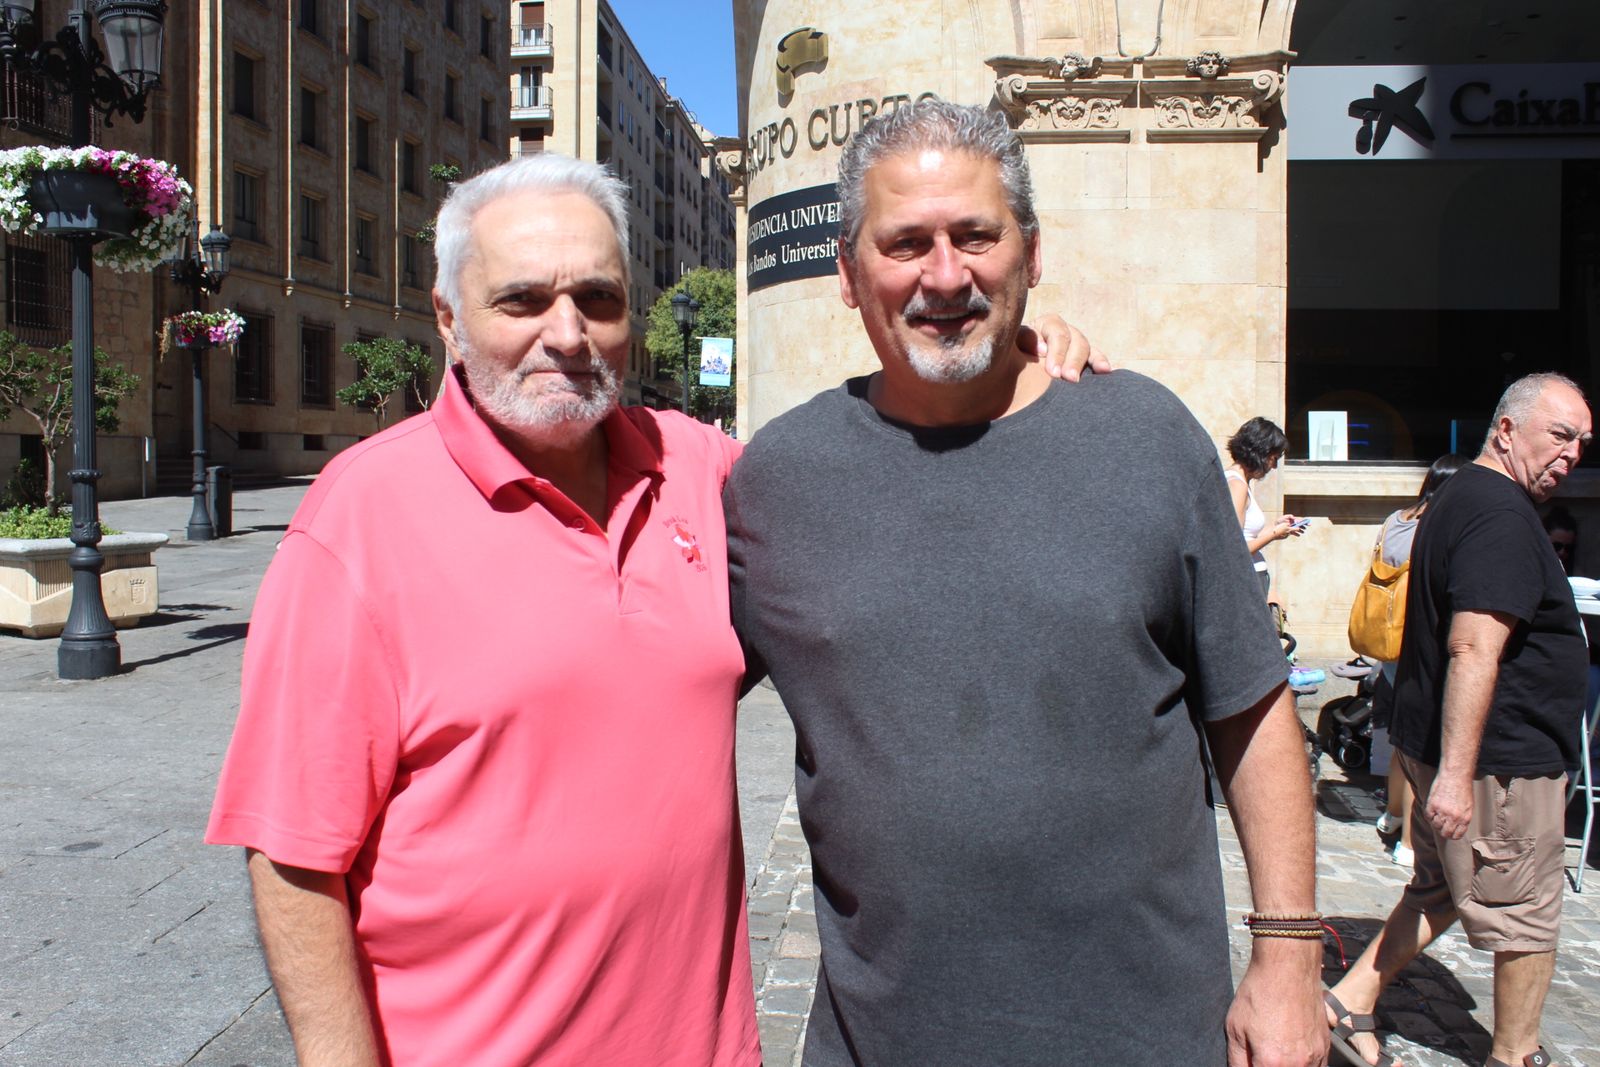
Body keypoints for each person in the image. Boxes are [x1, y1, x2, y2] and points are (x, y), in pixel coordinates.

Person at [203, 152, 1101, 1067]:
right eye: (521, 301)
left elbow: (871, 472)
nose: (567, 333)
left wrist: (1011, 357)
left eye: (598, 298)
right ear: (448, 318)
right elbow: (294, 855)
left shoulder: (701, 472)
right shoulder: (361, 521)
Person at [724, 100, 1324, 1067]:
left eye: (976, 235)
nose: (946, 274)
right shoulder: (774, 481)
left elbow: (1251, 709)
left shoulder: (1146, 436)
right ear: (846, 272)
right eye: (905, 241)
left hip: (1147, 1032)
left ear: (1032, 253)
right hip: (883, 1039)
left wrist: (1289, 958)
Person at [1324, 373, 1591, 1067]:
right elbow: (1474, 645)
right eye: (1560, 435)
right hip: (1499, 763)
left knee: (1438, 889)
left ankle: (1349, 996)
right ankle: (1516, 1054)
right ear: (1506, 429)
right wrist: (1455, 775)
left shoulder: (1460, 495)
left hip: (1452, 751)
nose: (1573, 455)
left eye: (1583, 442)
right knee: (1526, 917)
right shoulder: (1500, 515)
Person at [1367, 454, 1469, 870]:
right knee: (1422, 747)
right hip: (1420, 644)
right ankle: (1410, 842)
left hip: (1388, 641)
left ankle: (1392, 813)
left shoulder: (1396, 519)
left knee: (1400, 739)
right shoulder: (1435, 526)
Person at [1225, 417, 1303, 601]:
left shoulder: (1238, 481)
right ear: (1260, 452)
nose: (1274, 466)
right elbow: (1235, 547)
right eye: (1273, 459)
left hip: (1249, 578)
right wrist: (1274, 533)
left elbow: (1245, 535)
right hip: (1246, 581)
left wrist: (1278, 526)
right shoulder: (1237, 485)